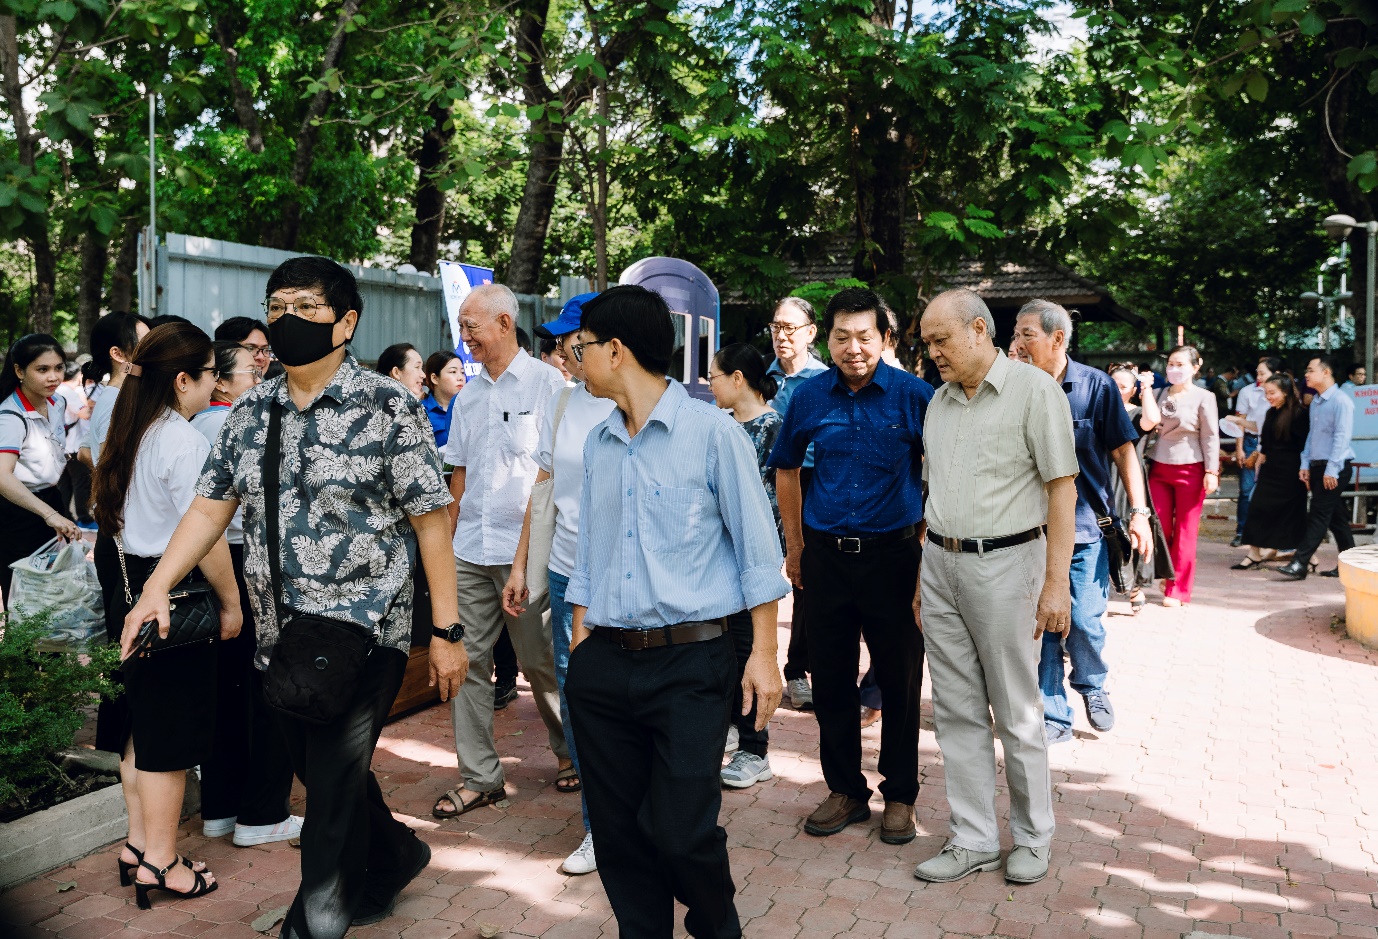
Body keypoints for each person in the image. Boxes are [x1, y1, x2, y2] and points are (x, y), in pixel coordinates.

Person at [122, 256, 466, 937]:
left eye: (304, 306)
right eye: (276, 305)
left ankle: (313, 921)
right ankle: (396, 853)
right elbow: (206, 510)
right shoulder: (251, 410)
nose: (285, 318)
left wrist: (450, 634)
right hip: (281, 633)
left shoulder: (388, 405)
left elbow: (431, 521)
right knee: (323, 769)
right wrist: (154, 589)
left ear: (345, 321)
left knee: (330, 795)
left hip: (370, 627)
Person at [563, 284, 788, 939]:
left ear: (615, 348)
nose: (576, 361)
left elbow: (756, 554)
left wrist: (765, 656)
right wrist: (582, 650)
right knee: (617, 830)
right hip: (605, 662)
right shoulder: (600, 443)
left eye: (582, 349)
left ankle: (717, 924)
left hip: (693, 659)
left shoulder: (713, 434)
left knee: (681, 826)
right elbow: (590, 559)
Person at [913, 288, 1078, 887]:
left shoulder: (1036, 392)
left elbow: (1063, 488)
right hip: (941, 564)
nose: (932, 352)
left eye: (941, 340)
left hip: (1009, 565)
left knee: (1016, 709)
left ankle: (1034, 836)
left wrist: (1056, 584)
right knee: (955, 711)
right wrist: (924, 571)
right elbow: (935, 493)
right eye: (928, 342)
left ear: (979, 330)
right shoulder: (938, 402)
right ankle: (974, 837)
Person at [768, 287, 933, 845]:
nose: (853, 348)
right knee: (831, 678)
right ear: (827, 339)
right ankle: (844, 789)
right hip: (826, 557)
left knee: (900, 678)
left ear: (885, 339)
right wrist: (795, 545)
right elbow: (786, 469)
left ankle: (902, 795)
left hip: (895, 557)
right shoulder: (809, 398)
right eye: (842, 337)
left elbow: (941, 474)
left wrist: (927, 552)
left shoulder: (916, 396)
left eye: (865, 336)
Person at [90, 322, 244, 909]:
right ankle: (162, 861)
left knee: (141, 731)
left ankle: (138, 845)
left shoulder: (130, 429)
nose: (214, 388)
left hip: (131, 588)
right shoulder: (183, 442)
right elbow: (208, 540)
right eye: (209, 376)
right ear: (183, 379)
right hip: (175, 599)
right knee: (171, 744)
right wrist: (231, 604)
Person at [435, 284, 571, 820]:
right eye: (463, 327)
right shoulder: (468, 396)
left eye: (472, 326)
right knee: (466, 662)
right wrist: (443, 549)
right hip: (471, 547)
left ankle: (570, 753)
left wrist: (521, 562)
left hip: (529, 555)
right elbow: (459, 476)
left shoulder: (547, 387)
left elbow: (548, 481)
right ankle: (480, 777)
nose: (465, 337)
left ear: (505, 324)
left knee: (541, 662)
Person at [501, 292, 613, 875]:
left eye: (572, 339)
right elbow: (543, 487)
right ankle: (599, 829)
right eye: (562, 341)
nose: (561, 351)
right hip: (569, 576)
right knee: (580, 700)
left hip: (630, 581)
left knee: (634, 701)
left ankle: (646, 820)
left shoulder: (637, 402)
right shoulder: (563, 404)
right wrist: (523, 564)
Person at [1014, 302, 1152, 746]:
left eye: (1027, 334)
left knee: (1087, 620)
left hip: (1087, 528)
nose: (1017, 343)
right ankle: (1053, 710)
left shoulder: (1095, 387)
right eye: (1016, 333)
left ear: (1057, 339)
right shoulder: (1014, 387)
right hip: (1030, 531)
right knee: (1046, 623)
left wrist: (1140, 513)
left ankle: (1091, 683)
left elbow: (1123, 451)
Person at [188, 342, 300, 847]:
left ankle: (221, 808)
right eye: (248, 375)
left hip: (214, 566)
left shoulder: (189, 428)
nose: (258, 382)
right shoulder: (227, 425)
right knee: (266, 691)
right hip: (239, 564)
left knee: (226, 696)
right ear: (219, 383)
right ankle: (261, 812)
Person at [708, 342, 783, 789]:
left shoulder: (771, 427)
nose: (710, 386)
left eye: (714, 377)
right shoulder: (720, 425)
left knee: (750, 652)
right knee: (724, 655)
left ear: (738, 378)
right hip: (719, 559)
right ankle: (734, 731)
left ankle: (756, 750)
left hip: (753, 562)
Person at [764, 296, 828, 711]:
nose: (782, 335)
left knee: (804, 577)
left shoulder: (825, 380)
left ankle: (796, 669)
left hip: (808, 481)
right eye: (776, 327)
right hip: (760, 481)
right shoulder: (758, 375)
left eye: (790, 328)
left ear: (810, 332)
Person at [0, 334, 79, 604]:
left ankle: (53, 648)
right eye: (42, 369)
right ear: (19, 371)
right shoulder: (11, 417)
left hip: (52, 500)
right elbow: (1, 476)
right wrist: (49, 515)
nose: (53, 377)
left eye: (58, 368)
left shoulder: (58, 403)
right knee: (24, 600)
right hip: (18, 511)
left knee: (54, 592)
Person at [1145, 346, 1220, 606]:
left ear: (1195, 366)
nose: (1174, 369)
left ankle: (1177, 589)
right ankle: (1165, 571)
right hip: (1158, 466)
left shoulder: (1204, 397)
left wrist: (1212, 471)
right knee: (1160, 526)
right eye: (1171, 364)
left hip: (1192, 467)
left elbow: (1210, 435)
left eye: (1180, 364)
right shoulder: (1156, 394)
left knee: (1186, 532)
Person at [1279, 355, 1356, 580]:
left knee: (1319, 514)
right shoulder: (1317, 402)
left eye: (1311, 370)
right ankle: (1349, 566)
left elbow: (1342, 438)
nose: (1306, 374)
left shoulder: (1341, 401)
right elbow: (1313, 436)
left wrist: (1332, 469)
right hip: (1318, 466)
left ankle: (1300, 563)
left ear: (1326, 372)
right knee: (1336, 518)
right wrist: (1306, 463)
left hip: (1335, 467)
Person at [1234, 375, 1310, 569]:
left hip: (1292, 470)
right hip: (1270, 469)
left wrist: (1305, 468)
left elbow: (1304, 445)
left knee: (1293, 514)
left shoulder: (1299, 413)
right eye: (1266, 393)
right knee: (1258, 507)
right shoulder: (1270, 413)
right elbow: (1265, 443)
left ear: (1285, 392)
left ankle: (1309, 556)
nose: (1269, 397)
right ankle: (1254, 553)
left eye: (1273, 393)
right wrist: (1259, 460)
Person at [1107, 364, 1162, 612]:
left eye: (1123, 387)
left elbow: (1153, 419)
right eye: (1113, 384)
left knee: (1133, 533)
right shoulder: (1100, 410)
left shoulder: (1137, 413)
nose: (1117, 390)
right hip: (1102, 476)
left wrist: (1147, 388)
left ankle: (1136, 586)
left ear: (1132, 390)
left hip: (1129, 480)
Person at [83, 312, 151, 467]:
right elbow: (110, 470)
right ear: (118, 354)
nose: (153, 348)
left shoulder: (122, 395)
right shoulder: (115, 401)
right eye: (145, 343)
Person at [1231, 357, 1283, 547]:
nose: (1258, 377)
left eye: (1263, 373)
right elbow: (1242, 421)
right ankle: (1242, 532)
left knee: (1271, 490)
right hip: (1252, 443)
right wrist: (1239, 448)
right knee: (1246, 490)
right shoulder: (1247, 392)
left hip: (1275, 445)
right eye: (1257, 373)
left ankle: (1271, 534)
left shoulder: (1283, 394)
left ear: (1276, 375)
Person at [422, 351, 465, 449]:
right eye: (453, 372)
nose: (460, 378)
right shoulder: (421, 411)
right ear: (435, 378)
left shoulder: (471, 410)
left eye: (462, 372)